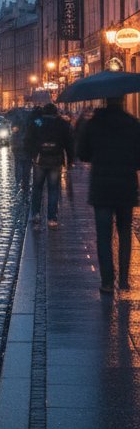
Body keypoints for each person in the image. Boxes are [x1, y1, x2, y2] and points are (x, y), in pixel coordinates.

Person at [76, 95, 140, 293]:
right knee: (125, 233)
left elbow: (83, 154)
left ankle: (106, 282)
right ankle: (123, 280)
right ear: (122, 101)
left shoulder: (94, 124)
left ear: (104, 101)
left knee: (103, 236)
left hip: (102, 187)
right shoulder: (133, 124)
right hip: (125, 186)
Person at [26, 103, 74, 228]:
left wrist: (31, 154)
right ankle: (52, 218)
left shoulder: (37, 122)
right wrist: (70, 160)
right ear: (55, 112)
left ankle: (36, 214)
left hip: (39, 159)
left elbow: (28, 139)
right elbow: (69, 142)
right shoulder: (62, 124)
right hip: (56, 159)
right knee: (53, 189)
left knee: (37, 188)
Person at [9, 107, 38, 198]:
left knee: (19, 163)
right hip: (27, 146)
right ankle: (25, 182)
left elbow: (13, 131)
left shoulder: (16, 120)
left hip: (19, 146)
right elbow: (38, 126)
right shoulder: (31, 120)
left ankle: (20, 181)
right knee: (27, 165)